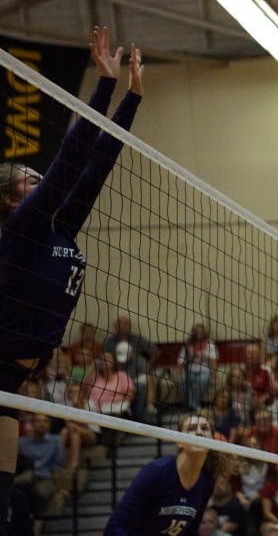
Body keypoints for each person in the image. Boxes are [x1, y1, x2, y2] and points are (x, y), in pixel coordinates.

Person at [0, 27, 143, 530]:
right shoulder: (22, 229)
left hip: (14, 378)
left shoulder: (62, 225)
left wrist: (131, 100)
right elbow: (68, 161)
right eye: (28, 180)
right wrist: (102, 87)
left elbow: (98, 165)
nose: (39, 182)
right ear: (11, 199)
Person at [105, 413, 232, 535]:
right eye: (191, 429)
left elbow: (191, 531)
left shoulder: (206, 481)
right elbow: (115, 527)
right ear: (179, 441)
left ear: (212, 440)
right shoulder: (156, 471)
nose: (199, 432)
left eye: (205, 428)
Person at [179, 323, 218, 411]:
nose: (199, 333)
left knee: (201, 380)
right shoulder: (188, 344)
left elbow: (214, 362)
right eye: (197, 332)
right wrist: (177, 373)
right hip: (189, 370)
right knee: (181, 381)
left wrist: (215, 376)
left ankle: (194, 404)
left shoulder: (210, 344)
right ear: (193, 333)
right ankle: (188, 404)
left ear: (204, 333)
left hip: (205, 370)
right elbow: (180, 360)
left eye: (201, 332)